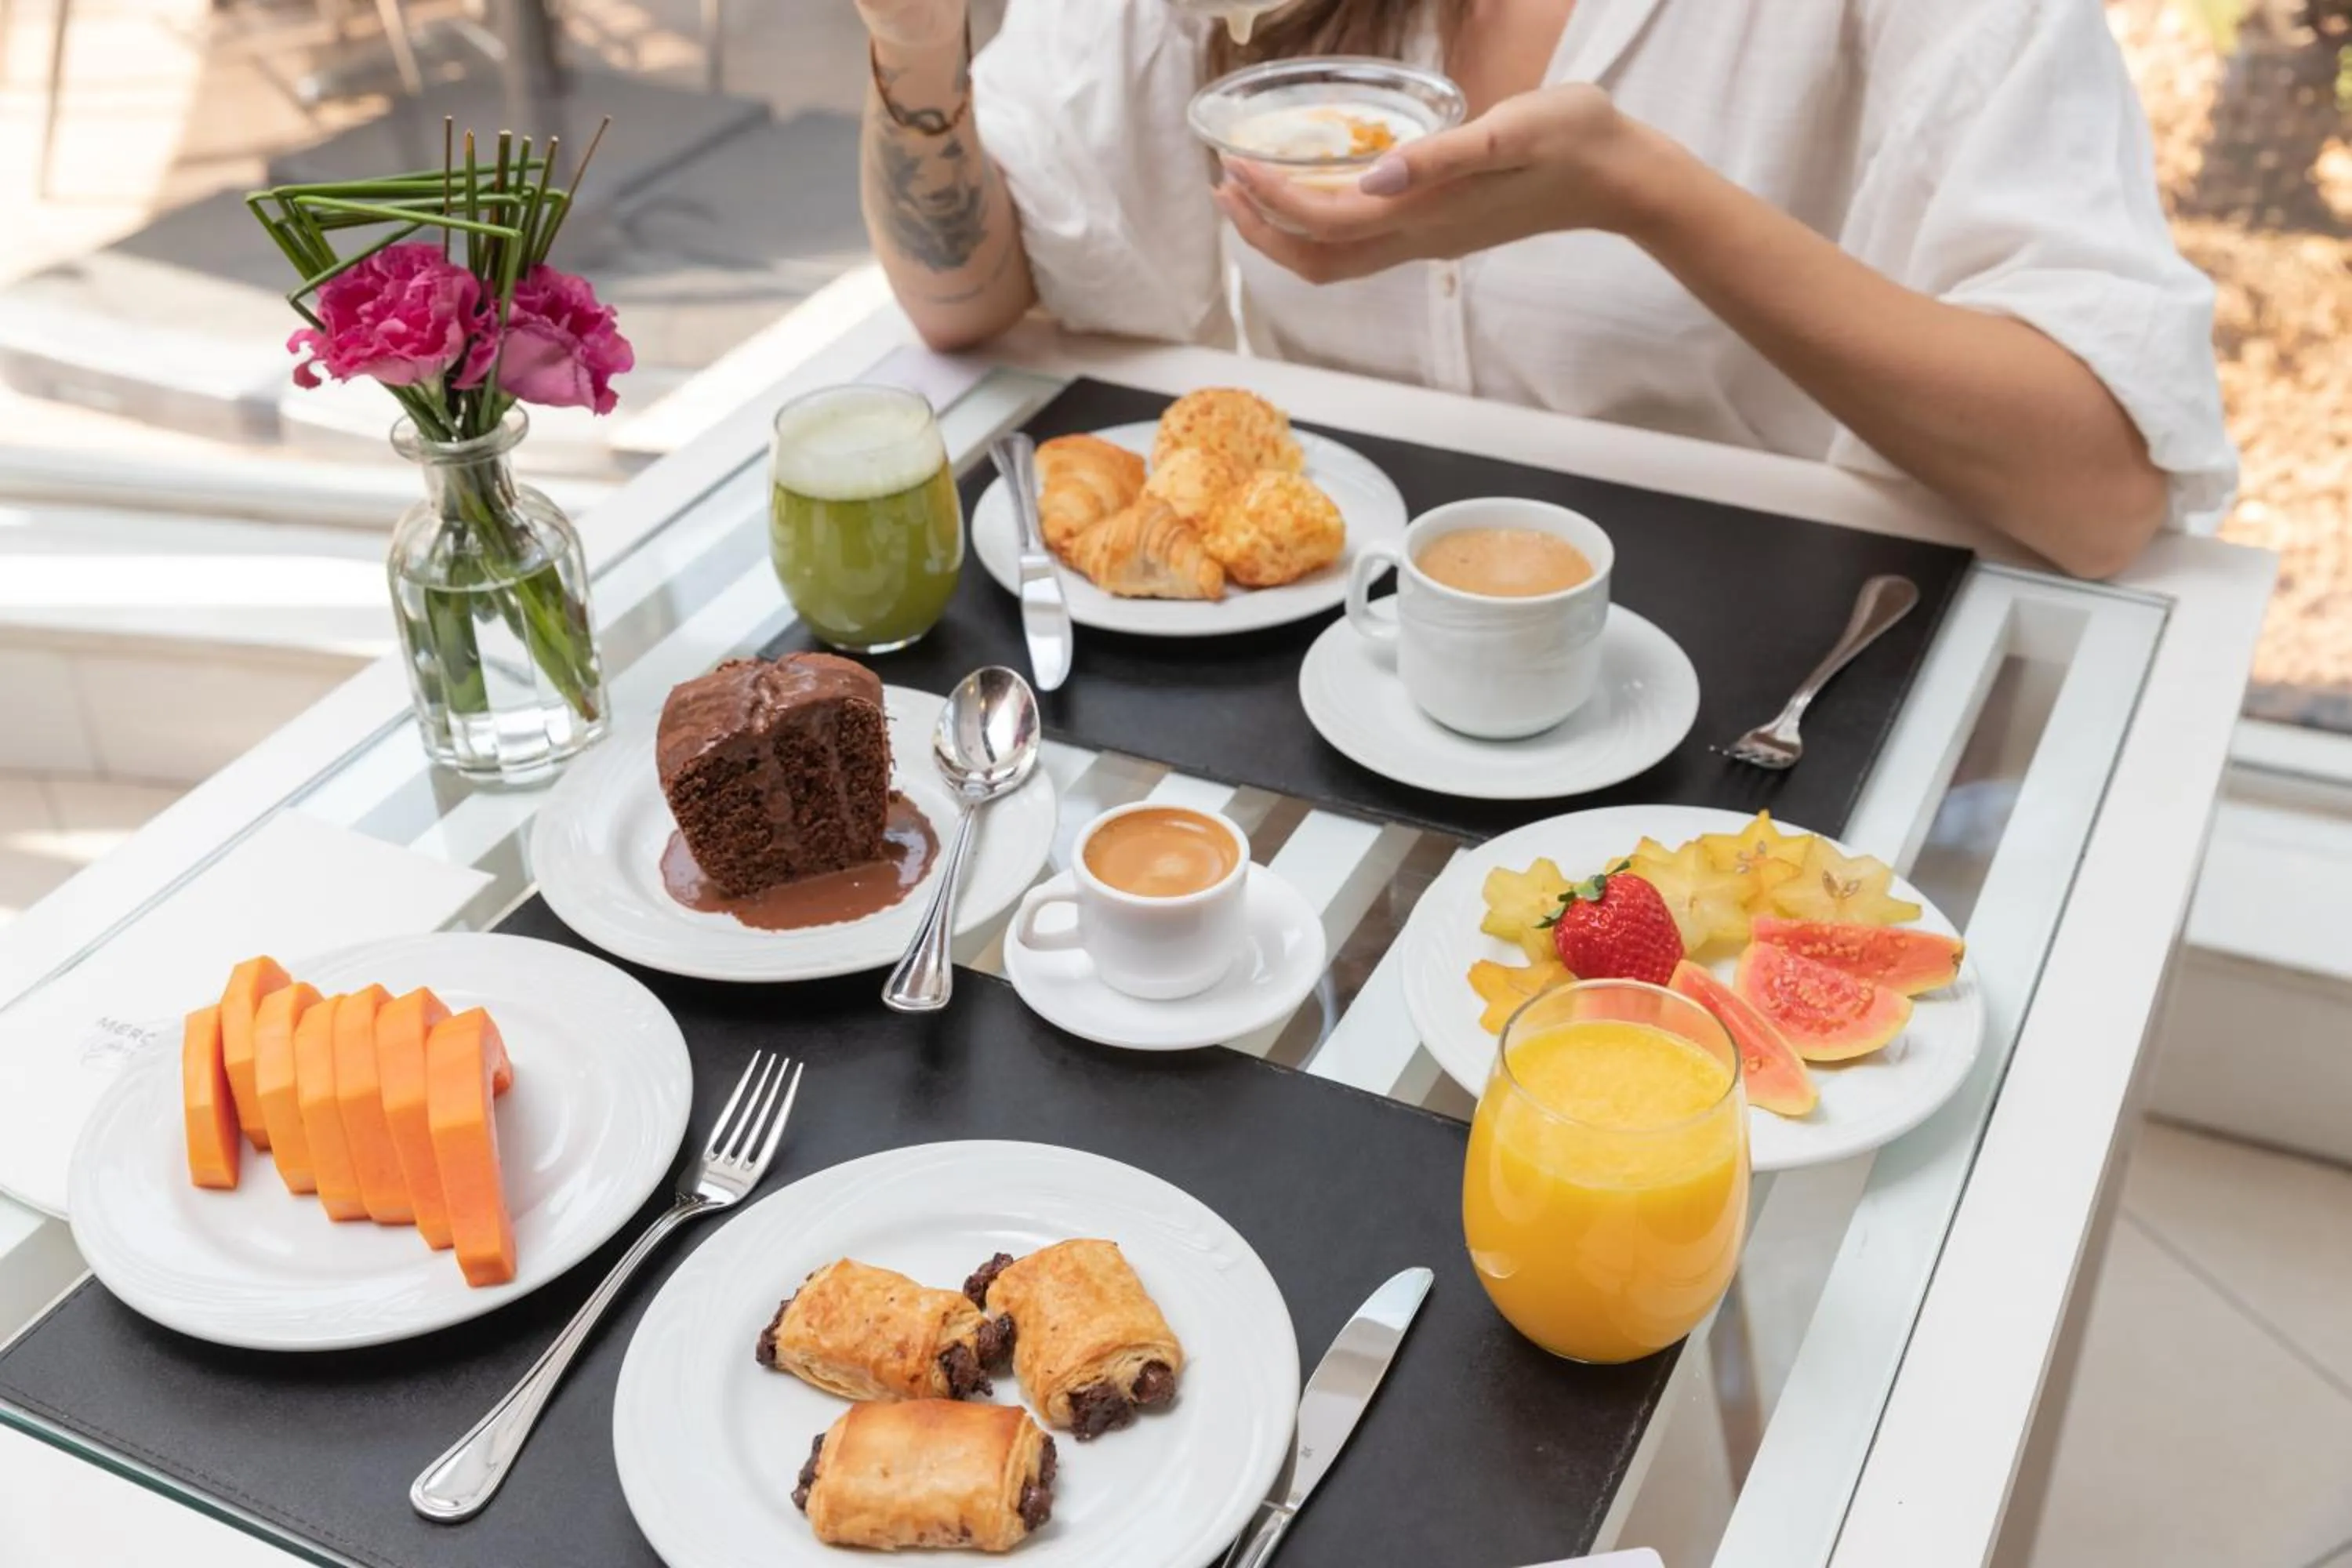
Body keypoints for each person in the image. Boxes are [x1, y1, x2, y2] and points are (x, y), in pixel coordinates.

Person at [850, 0, 2236, 579]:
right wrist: (916, 46)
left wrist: (1644, 196)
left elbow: (2101, 487)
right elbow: (970, 303)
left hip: (1743, 666)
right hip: (1325, 661)